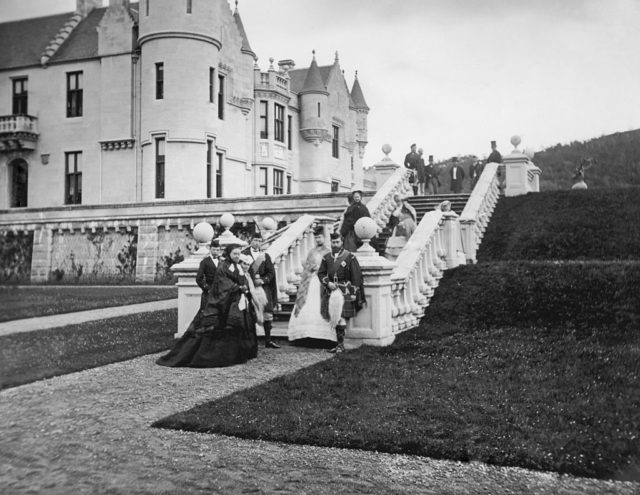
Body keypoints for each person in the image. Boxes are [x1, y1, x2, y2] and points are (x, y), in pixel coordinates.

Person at [156, 243, 258, 368]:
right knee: (212, 326)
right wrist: (237, 287)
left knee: (235, 326)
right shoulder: (223, 266)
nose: (237, 256)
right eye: (234, 254)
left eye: (238, 253)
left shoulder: (237, 266)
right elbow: (223, 283)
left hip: (235, 302)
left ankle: (233, 355)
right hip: (221, 301)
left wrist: (243, 286)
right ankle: (206, 356)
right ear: (229, 254)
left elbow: (241, 280)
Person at [318, 232, 366, 353]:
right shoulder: (327, 257)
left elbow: (356, 276)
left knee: (341, 317)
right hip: (331, 291)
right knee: (335, 317)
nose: (335, 244)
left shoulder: (349, 257)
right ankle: (339, 345)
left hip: (344, 290)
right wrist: (327, 283)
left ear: (342, 242)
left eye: (337, 242)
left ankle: (341, 345)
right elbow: (321, 273)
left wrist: (354, 292)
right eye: (333, 242)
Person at [287, 226, 333, 342]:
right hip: (311, 281)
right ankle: (306, 334)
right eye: (316, 237)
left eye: (320, 237)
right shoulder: (312, 252)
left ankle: (323, 336)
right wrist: (311, 268)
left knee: (321, 303)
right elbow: (307, 267)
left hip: (322, 282)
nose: (318, 240)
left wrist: (322, 269)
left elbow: (332, 268)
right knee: (308, 303)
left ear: (324, 238)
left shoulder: (328, 252)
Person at [242, 233, 280, 349]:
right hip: (249, 287)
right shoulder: (244, 255)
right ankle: (251, 341)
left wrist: (263, 280)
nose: (257, 243)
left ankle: (268, 340)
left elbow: (271, 273)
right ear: (250, 240)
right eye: (255, 240)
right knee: (250, 313)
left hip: (263, 288)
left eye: (259, 240)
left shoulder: (265, 256)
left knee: (266, 313)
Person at [385, 195, 418, 261]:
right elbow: (391, 221)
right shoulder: (395, 210)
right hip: (396, 230)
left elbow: (412, 221)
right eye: (396, 201)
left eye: (399, 201)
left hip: (405, 230)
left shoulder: (408, 209)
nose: (398, 202)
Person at [195, 239, 221, 311]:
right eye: (213, 250)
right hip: (209, 292)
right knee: (206, 313)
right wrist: (207, 289)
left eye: (217, 250)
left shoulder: (222, 262)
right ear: (210, 249)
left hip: (221, 292)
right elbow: (199, 278)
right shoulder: (205, 262)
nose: (215, 252)